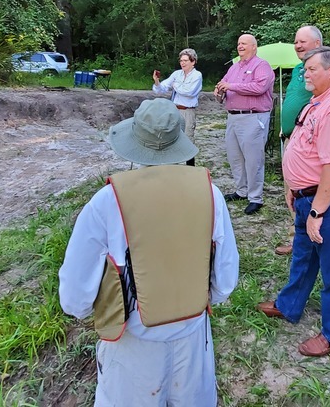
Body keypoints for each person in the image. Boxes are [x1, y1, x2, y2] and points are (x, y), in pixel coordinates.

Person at [59, 99, 239, 405]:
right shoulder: (211, 192)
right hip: (193, 333)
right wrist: (212, 298)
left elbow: (76, 292)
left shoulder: (107, 201)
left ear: (133, 143)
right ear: (179, 141)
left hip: (133, 338)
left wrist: (84, 310)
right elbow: (225, 274)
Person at [256, 46, 330, 357]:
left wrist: (317, 209)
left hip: (328, 200)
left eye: (312, 69)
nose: (305, 73)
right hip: (308, 196)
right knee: (303, 256)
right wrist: (294, 186)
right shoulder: (318, 102)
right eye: (305, 69)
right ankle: (289, 305)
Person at [276, 25, 330, 255]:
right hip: (292, 137)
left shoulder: (324, 65)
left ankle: (312, 238)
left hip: (310, 142)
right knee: (293, 193)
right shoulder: (299, 69)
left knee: (309, 192)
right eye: (295, 41)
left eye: (303, 41)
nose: (298, 45)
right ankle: (299, 240)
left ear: (317, 45)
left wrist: (322, 112)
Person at [214, 34, 275, 215]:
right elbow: (224, 86)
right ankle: (241, 191)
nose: (240, 46)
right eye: (239, 43)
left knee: (253, 159)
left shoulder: (261, 65)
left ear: (254, 47)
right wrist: (219, 92)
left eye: (244, 43)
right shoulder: (234, 67)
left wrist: (230, 86)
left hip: (253, 117)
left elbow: (259, 88)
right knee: (235, 157)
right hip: (233, 117)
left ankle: (255, 198)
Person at [152, 48, 203, 141]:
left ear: (193, 62)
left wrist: (175, 85)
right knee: (172, 138)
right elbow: (161, 89)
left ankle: (189, 156)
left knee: (187, 139)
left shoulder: (197, 75)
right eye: (181, 61)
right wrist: (157, 82)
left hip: (188, 111)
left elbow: (189, 92)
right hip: (175, 110)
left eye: (185, 61)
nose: (182, 63)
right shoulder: (176, 74)